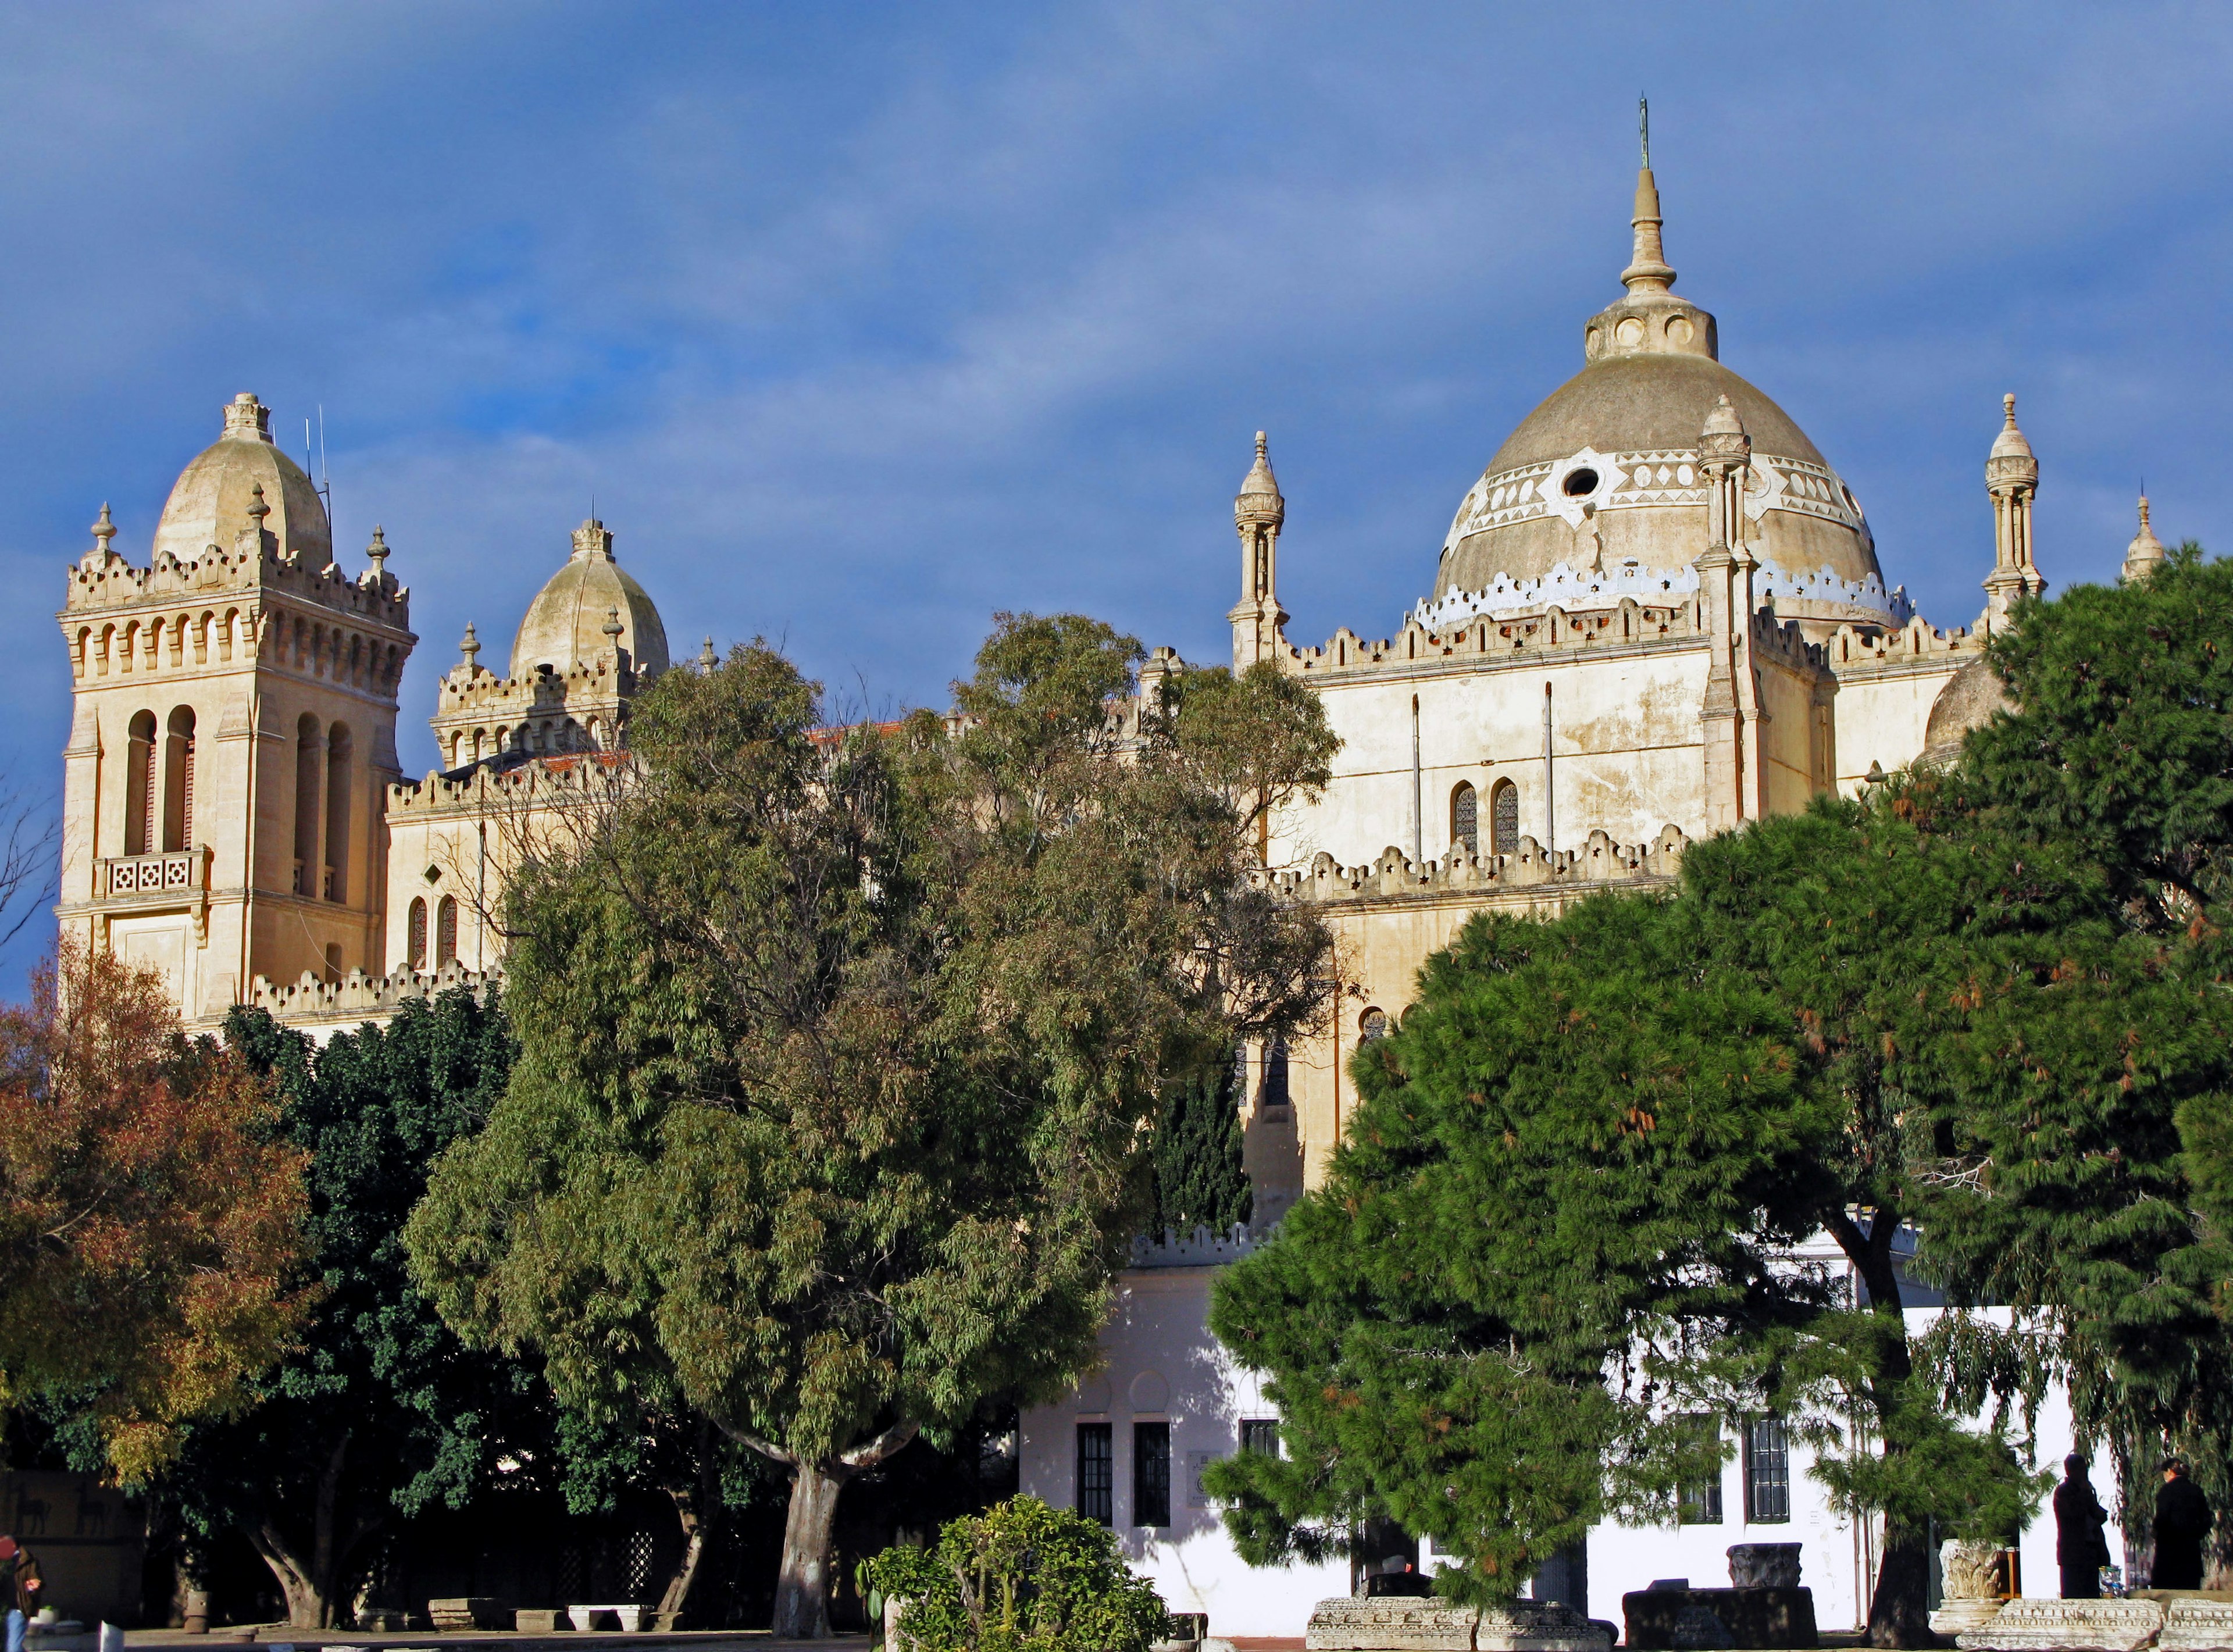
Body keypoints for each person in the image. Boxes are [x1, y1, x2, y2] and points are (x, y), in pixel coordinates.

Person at [2056, 1453, 2111, 1599]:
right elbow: (2072, 1514)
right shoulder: (2063, 1492)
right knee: (2074, 1595)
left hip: (2091, 1551)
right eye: (2080, 1470)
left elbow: (2095, 1513)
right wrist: (2084, 1493)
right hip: (2074, 1554)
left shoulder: (2087, 1491)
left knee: (2092, 1594)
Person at [2154, 1459, 2214, 1590]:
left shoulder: (2166, 1491)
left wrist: (2159, 1533)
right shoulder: (2196, 1490)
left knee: (2167, 1592)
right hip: (2191, 1552)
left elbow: (2161, 1519)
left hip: (2169, 1553)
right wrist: (2195, 1534)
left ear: (2170, 1472)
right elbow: (2207, 1520)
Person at [0, 1536, 44, 1652]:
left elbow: (37, 1580)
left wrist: (34, 1585)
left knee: (13, 1648)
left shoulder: (28, 1560)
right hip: (3, 1610)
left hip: (18, 1609)